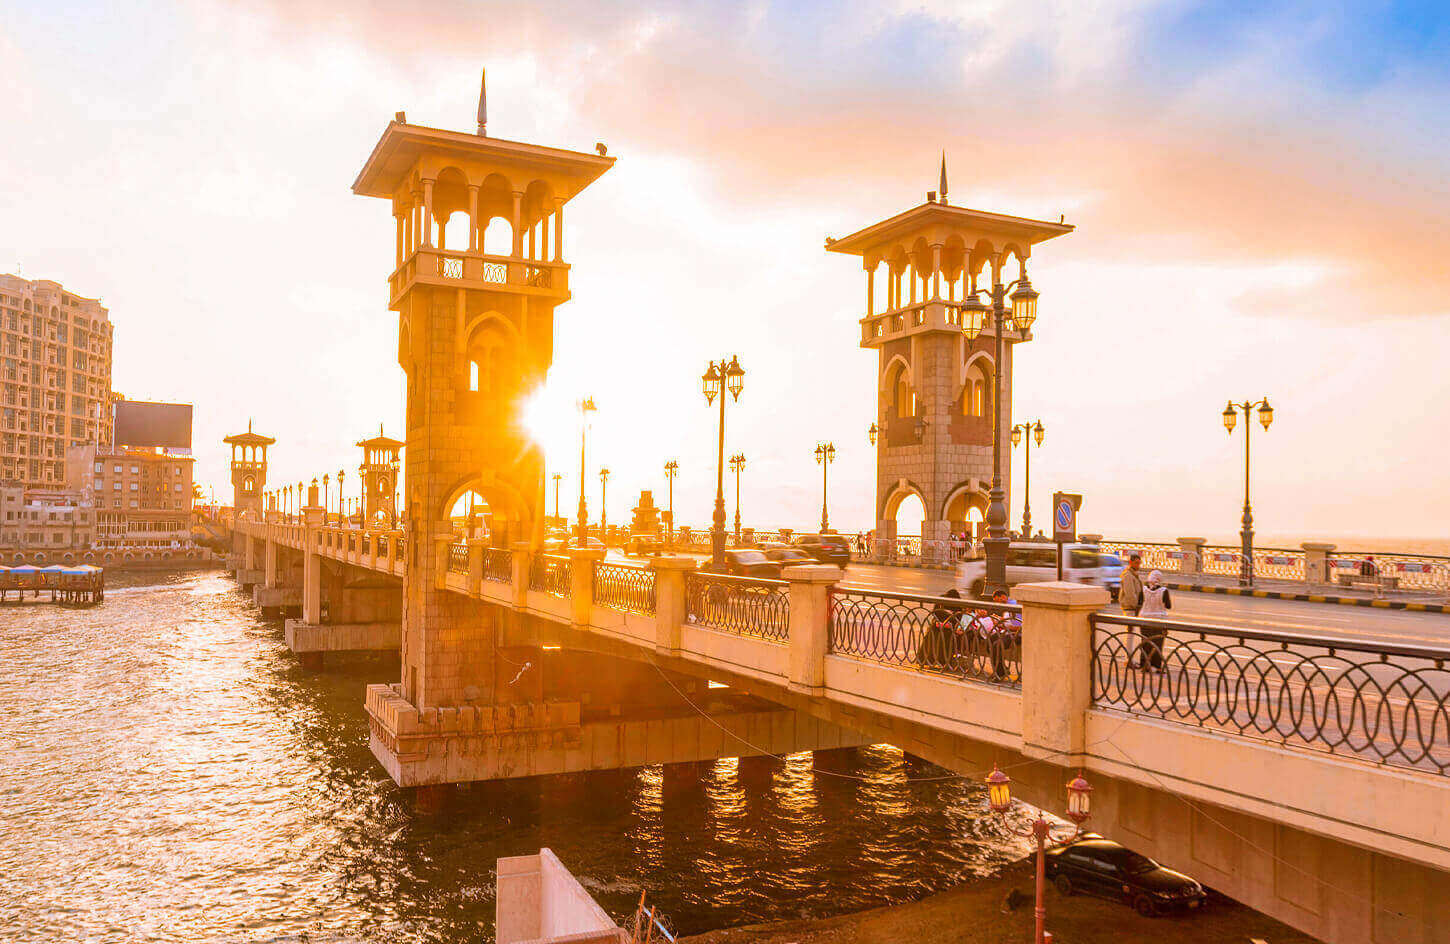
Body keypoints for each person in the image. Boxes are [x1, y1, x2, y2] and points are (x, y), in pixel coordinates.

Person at [917, 588, 964, 670]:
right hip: (938, 624)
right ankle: (927, 660)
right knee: (932, 634)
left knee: (945, 638)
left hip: (950, 628)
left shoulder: (958, 603)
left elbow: (958, 617)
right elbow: (935, 612)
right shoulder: (941, 600)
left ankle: (941, 661)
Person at [1135, 569, 1172, 672]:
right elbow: (1168, 606)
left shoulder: (1143, 589)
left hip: (1144, 619)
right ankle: (1157, 666)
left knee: (1145, 642)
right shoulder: (1164, 591)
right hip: (1159, 620)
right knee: (1158, 643)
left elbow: (1139, 603)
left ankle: (1144, 664)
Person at [1119, 552, 1144, 666]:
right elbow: (1130, 593)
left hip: (1133, 608)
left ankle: (1129, 659)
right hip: (1130, 608)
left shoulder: (1133, 574)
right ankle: (1128, 659)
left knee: (1131, 634)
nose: (1138, 565)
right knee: (1130, 634)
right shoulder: (1128, 575)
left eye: (1139, 563)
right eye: (1136, 563)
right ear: (1131, 562)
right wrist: (1136, 606)